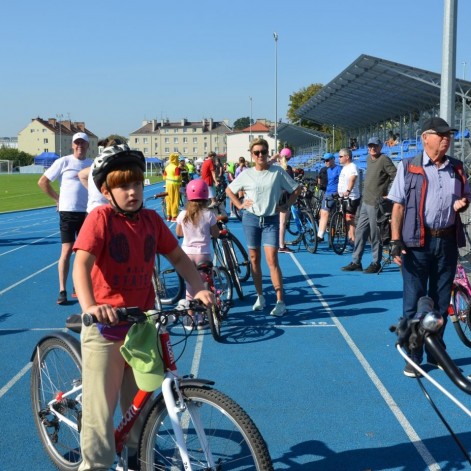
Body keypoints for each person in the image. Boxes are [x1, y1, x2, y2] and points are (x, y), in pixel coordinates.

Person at [72, 144, 213, 470]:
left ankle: (135, 457)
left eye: (136, 183)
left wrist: (200, 289)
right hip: (105, 329)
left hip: (140, 327)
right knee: (98, 422)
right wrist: (91, 306)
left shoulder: (150, 219)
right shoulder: (101, 219)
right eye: (123, 185)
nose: (132, 191)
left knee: (139, 413)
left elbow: (177, 257)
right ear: (107, 191)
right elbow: (81, 265)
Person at [387, 117, 471, 377]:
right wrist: (395, 240)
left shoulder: (457, 167)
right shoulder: (408, 166)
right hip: (416, 243)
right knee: (413, 300)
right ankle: (414, 354)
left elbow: (466, 195)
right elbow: (398, 206)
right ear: (425, 138)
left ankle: (436, 351)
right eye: (441, 134)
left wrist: (464, 203)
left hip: (446, 241)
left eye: (450, 135)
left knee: (440, 300)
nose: (447, 139)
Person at [225, 138, 302, 317]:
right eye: (256, 153)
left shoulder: (277, 172)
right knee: (254, 258)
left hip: (270, 220)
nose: (260, 155)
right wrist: (239, 204)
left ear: (268, 153)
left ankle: (280, 301)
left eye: (263, 152)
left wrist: (286, 205)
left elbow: (296, 189)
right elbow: (230, 190)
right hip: (251, 219)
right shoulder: (246, 174)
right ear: (252, 155)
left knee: (272, 259)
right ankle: (260, 296)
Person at [38, 132, 93, 304]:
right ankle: (62, 290)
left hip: (87, 212)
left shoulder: (92, 164)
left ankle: (80, 286)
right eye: (76, 143)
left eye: (82, 143)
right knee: (67, 250)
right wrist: (57, 199)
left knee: (85, 252)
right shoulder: (64, 161)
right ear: (72, 145)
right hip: (68, 212)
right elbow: (42, 182)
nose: (79, 146)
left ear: (87, 146)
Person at [341, 137, 396, 274]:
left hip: (376, 204)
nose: (372, 148)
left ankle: (375, 262)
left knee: (375, 234)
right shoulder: (367, 159)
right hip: (365, 202)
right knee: (360, 232)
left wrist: (389, 194)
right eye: (370, 146)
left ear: (380, 147)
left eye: (375, 146)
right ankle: (356, 261)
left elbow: (396, 175)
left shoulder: (384, 159)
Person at [176, 179, 220, 330]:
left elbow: (179, 233)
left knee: (189, 288)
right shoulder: (209, 214)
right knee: (203, 286)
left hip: (187, 254)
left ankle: (190, 319)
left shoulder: (183, 214)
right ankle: (201, 318)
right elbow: (215, 234)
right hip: (204, 254)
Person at [78, 138, 120, 213]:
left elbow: (81, 174)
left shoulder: (96, 165)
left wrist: (93, 189)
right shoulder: (111, 167)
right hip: (104, 211)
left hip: (92, 211)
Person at [337, 148, 361, 244]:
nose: (339, 158)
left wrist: (348, 190)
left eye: (341, 156)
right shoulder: (345, 167)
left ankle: (353, 238)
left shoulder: (352, 167)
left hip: (351, 197)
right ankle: (350, 238)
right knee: (346, 219)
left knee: (349, 218)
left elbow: (353, 179)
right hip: (343, 197)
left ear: (347, 157)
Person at [316, 153, 341, 242]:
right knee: (322, 213)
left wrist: (339, 192)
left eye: (327, 160)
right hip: (327, 193)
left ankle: (320, 235)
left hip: (335, 193)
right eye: (324, 161)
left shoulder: (339, 169)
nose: (325, 162)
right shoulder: (328, 170)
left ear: (332, 159)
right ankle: (321, 233)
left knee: (325, 213)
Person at [276, 148, 296, 253]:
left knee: (276, 221)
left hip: (275, 196)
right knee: (282, 222)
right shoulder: (288, 169)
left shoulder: (276, 168)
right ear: (290, 157)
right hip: (285, 196)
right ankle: (281, 245)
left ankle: (277, 243)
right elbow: (291, 185)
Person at [163, 152, 182, 221]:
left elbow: (164, 177)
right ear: (175, 159)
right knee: (175, 200)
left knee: (168, 200)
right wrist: (180, 182)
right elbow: (177, 178)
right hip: (174, 186)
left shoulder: (167, 167)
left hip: (167, 185)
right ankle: (174, 216)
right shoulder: (176, 168)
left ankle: (169, 216)